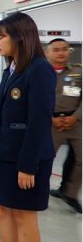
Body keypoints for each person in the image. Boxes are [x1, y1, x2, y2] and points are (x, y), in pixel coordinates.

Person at [0, 12, 55, 242]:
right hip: (5, 154)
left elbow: (39, 122)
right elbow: (0, 117)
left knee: (24, 216)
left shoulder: (39, 70)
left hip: (28, 158)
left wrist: (28, 165)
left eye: (1, 36)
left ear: (20, 37)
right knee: (3, 210)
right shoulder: (11, 69)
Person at [46, 38, 81, 213]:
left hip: (75, 122)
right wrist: (50, 118)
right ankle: (38, 192)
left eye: (65, 49)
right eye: (56, 49)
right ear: (47, 53)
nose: (61, 53)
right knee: (44, 160)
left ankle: (70, 194)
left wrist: (75, 117)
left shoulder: (78, 72)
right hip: (49, 123)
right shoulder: (41, 72)